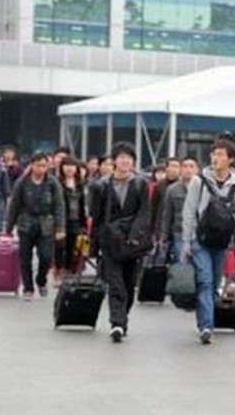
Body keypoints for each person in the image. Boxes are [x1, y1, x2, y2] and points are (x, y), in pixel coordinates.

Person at [182, 135, 235, 345]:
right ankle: (206, 326)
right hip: (200, 240)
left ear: (231, 159)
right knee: (205, 280)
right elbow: (189, 211)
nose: (215, 158)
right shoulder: (199, 181)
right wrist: (187, 241)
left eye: (220, 154)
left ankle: (205, 319)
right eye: (213, 154)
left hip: (222, 242)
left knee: (213, 283)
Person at [89, 143, 152, 343]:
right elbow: (96, 217)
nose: (125, 161)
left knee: (129, 283)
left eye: (129, 158)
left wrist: (134, 234)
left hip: (132, 241)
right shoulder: (100, 186)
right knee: (115, 283)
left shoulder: (140, 184)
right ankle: (117, 323)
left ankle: (123, 317)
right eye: (122, 157)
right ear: (114, 161)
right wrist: (93, 245)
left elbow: (144, 212)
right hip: (110, 241)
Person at [3, 153, 66, 299]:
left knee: (46, 257)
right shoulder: (22, 182)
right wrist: (8, 229)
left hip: (46, 224)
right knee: (25, 257)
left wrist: (60, 228)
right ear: (32, 165)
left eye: (44, 166)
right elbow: (14, 206)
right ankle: (28, 287)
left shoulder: (52, 182)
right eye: (38, 165)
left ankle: (41, 280)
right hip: (26, 223)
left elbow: (59, 206)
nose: (41, 169)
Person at [54, 157, 88, 283]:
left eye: (72, 166)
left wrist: (84, 223)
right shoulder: (57, 183)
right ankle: (59, 270)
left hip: (76, 220)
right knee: (60, 247)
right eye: (67, 165)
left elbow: (82, 205)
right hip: (61, 220)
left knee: (73, 248)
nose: (69, 168)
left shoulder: (79, 184)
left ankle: (69, 272)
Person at [158, 157, 198, 262]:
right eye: (185, 166)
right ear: (180, 169)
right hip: (179, 233)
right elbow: (167, 215)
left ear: (197, 169)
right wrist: (163, 236)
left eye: (191, 166)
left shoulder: (203, 188)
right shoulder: (172, 189)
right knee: (182, 266)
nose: (188, 170)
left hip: (199, 235)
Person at [151, 157, 181, 234]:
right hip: (161, 226)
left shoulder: (183, 186)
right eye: (172, 166)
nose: (174, 169)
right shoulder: (159, 186)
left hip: (177, 227)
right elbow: (154, 208)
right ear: (167, 168)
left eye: (176, 166)